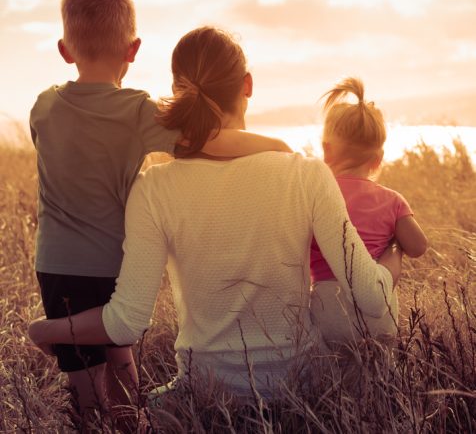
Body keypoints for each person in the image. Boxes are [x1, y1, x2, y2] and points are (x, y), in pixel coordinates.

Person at [29, 27, 402, 403]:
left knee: (147, 410)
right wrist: (394, 254)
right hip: (301, 392)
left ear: (177, 95)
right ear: (248, 85)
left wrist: (45, 331)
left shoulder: (154, 187)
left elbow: (127, 323)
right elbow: (371, 298)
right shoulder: (306, 173)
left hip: (202, 395)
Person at [29, 0, 292, 423]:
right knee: (124, 366)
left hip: (56, 263)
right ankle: (135, 422)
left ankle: (97, 415)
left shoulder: (43, 106)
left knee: (88, 386)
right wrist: (277, 144)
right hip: (113, 259)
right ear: (133, 50)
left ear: (64, 50)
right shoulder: (136, 111)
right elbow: (206, 143)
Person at [310, 77, 428, 345]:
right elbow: (419, 246)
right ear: (378, 158)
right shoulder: (392, 200)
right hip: (378, 303)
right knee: (381, 371)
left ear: (326, 151)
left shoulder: (315, 198)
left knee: (331, 374)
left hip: (327, 307)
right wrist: (395, 244)